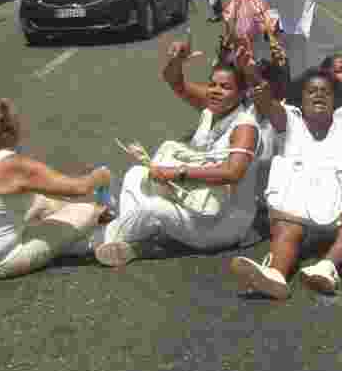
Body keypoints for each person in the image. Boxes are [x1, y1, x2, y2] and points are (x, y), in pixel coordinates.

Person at [227, 16, 342, 299]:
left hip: (338, 218)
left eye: (325, 91)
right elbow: (265, 99)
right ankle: (275, 275)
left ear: (335, 99)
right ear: (301, 98)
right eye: (311, 91)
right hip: (293, 214)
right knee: (287, 229)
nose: (319, 95)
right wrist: (249, 70)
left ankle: (327, 267)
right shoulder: (288, 121)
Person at [0, 20, 112, 278]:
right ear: (9, 133)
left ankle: (67, 239)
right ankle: (99, 241)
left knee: (44, 201)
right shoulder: (13, 166)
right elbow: (79, 188)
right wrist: (101, 176)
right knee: (89, 212)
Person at [94, 34, 264, 267]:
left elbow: (233, 172)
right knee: (136, 174)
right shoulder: (212, 107)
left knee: (151, 208)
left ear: (241, 93)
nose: (215, 91)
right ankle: (135, 240)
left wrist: (177, 172)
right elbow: (175, 82)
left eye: (225, 87)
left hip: (221, 221)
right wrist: (178, 59)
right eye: (212, 84)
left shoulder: (245, 126)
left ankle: (93, 239)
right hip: (193, 200)